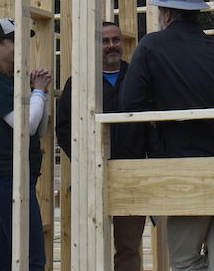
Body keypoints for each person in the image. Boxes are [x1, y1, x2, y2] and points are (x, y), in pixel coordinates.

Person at [119, 0, 214, 271]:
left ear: (166, 14)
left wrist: (161, 114)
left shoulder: (151, 46)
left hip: (187, 168)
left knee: (186, 262)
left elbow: (131, 104)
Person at [56, 21, 146, 271]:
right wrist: (84, 162)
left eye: (115, 40)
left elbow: (151, 125)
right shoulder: (80, 82)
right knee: (89, 244)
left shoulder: (138, 78)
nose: (111, 46)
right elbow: (64, 128)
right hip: (92, 176)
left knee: (128, 246)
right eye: (104, 41)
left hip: (131, 176)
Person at [0, 17, 52, 271]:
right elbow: (26, 126)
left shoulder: (9, 82)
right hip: (5, 178)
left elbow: (38, 131)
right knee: (31, 256)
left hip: (13, 177)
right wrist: (38, 91)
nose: (22, 48)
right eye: (15, 41)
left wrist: (40, 94)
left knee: (9, 254)